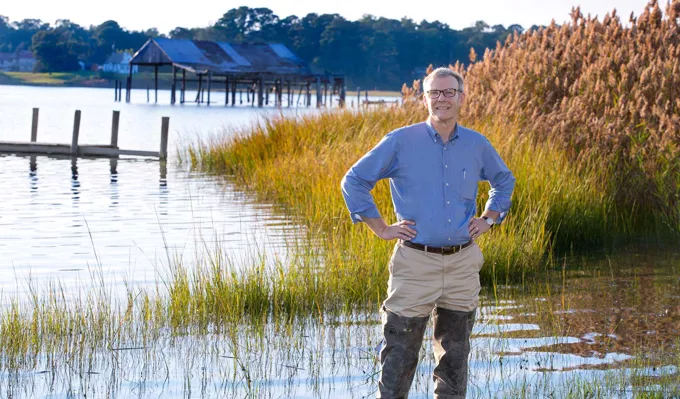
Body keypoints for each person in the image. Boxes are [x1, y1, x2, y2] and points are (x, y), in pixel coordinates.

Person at [341, 67, 515, 398]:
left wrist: (490, 217)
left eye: (449, 92)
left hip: (463, 264)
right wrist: (380, 227)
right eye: (434, 92)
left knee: (455, 359)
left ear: (462, 97)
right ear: (424, 99)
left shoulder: (477, 145)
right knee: (400, 354)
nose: (442, 99)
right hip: (414, 264)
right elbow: (354, 180)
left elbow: (504, 180)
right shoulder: (400, 141)